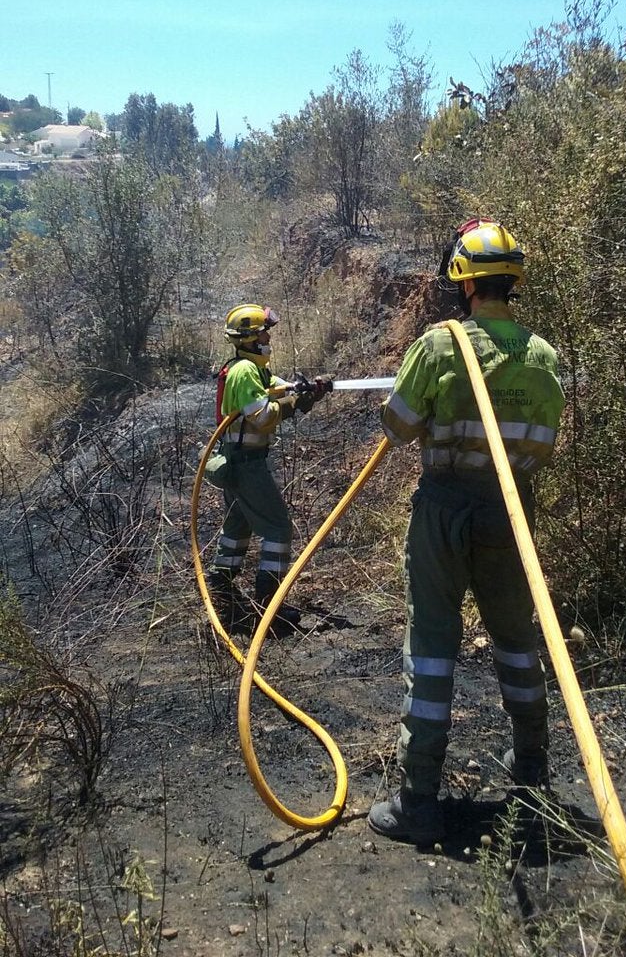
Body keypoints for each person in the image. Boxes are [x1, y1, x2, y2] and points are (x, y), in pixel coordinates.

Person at [368, 220, 565, 845]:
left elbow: (397, 425)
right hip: (510, 515)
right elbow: (544, 446)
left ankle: (418, 797)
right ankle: (531, 767)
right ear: (514, 281)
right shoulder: (544, 357)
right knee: (515, 638)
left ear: (463, 281)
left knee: (431, 644)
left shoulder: (438, 345)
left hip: (444, 511)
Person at [204, 303, 331, 633]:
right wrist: (295, 402)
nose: (268, 337)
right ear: (248, 338)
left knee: (238, 528)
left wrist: (310, 392)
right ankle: (268, 604)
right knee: (277, 529)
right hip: (246, 465)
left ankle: (222, 594)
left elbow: (284, 390)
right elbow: (262, 416)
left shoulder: (253, 369)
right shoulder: (245, 371)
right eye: (263, 332)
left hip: (237, 462)